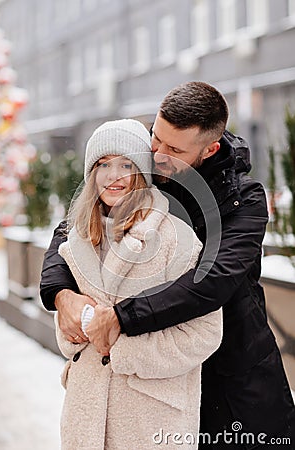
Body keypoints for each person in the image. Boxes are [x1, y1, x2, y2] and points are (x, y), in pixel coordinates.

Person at [41, 82, 295, 448]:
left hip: (231, 370)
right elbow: (74, 226)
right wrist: (60, 293)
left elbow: (212, 281)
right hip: (148, 382)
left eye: (173, 149)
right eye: (155, 138)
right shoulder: (146, 163)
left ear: (210, 148)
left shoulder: (244, 200)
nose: (156, 152)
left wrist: (121, 317)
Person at [54, 118, 222, 449]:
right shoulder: (79, 240)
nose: (113, 175)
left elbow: (204, 334)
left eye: (126, 164)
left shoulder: (176, 238)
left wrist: (122, 348)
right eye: (103, 164)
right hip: (85, 415)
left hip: (151, 419)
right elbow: (68, 328)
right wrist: (71, 324)